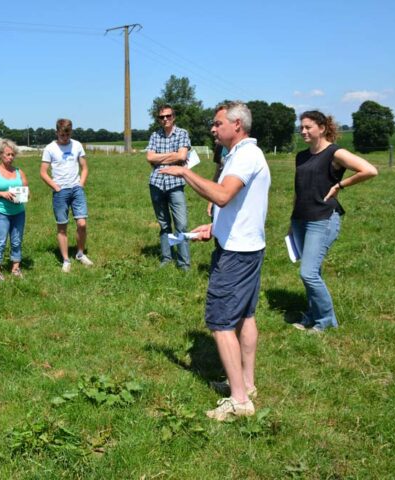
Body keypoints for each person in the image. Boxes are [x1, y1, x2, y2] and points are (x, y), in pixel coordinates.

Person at [163, 102, 270, 421]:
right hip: (245, 246)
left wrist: (184, 172)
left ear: (237, 125)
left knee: (221, 322)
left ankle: (239, 401)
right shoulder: (240, 155)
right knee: (244, 317)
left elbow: (223, 196)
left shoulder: (247, 155)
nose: (213, 128)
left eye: (217, 123)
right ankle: (246, 385)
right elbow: (239, 205)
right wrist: (214, 227)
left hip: (237, 255)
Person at [290, 111, 377, 332]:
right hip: (301, 219)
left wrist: (340, 185)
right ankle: (313, 314)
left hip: (323, 219)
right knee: (313, 272)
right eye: (301, 127)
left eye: (308, 127)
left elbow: (369, 170)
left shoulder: (334, 153)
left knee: (307, 273)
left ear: (322, 128)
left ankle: (327, 321)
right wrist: (293, 220)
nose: (303, 131)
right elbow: (298, 190)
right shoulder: (301, 156)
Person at [40, 118, 92, 273]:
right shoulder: (50, 148)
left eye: (67, 135)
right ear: (57, 132)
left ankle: (80, 254)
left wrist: (81, 184)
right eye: (62, 135)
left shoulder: (77, 145)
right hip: (60, 192)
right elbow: (43, 172)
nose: (65, 138)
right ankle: (66, 260)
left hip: (76, 190)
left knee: (82, 224)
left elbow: (84, 167)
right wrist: (55, 187)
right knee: (62, 226)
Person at [146, 104, 192, 270]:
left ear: (174, 117)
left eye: (168, 116)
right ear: (158, 119)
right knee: (164, 224)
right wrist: (172, 156)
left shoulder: (182, 133)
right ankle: (166, 259)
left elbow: (182, 155)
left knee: (181, 224)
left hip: (175, 184)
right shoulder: (155, 135)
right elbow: (149, 157)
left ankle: (184, 263)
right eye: (162, 117)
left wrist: (160, 158)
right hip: (156, 183)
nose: (165, 119)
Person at [0, 139, 28, 280]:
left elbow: (27, 190)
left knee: (16, 241)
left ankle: (16, 268)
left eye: (13, 155)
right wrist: (2, 194)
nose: (10, 157)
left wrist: (23, 194)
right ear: (0, 154)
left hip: (18, 212)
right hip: (0, 213)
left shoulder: (19, 171)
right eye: (8, 154)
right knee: (0, 241)